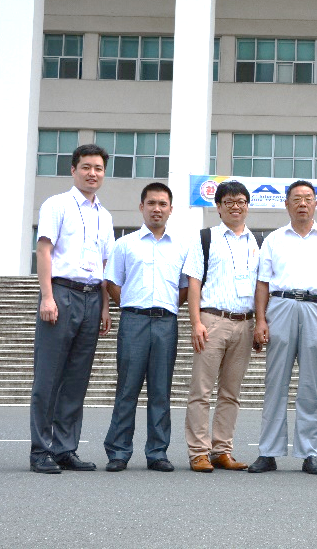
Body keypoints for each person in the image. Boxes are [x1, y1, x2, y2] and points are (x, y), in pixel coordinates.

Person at [248, 180, 317, 475]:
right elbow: (263, 283)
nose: (302, 203)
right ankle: (268, 452)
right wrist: (261, 319)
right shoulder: (274, 239)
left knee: (311, 385)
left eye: (308, 198)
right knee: (275, 382)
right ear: (287, 204)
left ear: (315, 203)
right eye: (296, 198)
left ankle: (309, 452)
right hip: (281, 307)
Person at [29, 144, 114, 474]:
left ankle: (65, 448)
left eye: (98, 168)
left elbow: (104, 264)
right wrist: (47, 297)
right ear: (73, 170)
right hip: (62, 294)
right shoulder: (57, 205)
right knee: (48, 377)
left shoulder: (104, 216)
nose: (93, 173)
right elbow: (44, 251)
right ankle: (41, 450)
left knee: (77, 379)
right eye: (86, 167)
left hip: (92, 297)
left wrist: (105, 307)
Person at [102, 182, 189, 473]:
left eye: (163, 204)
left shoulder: (181, 246)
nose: (157, 209)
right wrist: (131, 304)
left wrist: (164, 306)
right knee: (127, 388)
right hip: (134, 321)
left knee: (160, 390)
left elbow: (185, 287)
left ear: (171, 209)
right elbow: (112, 282)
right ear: (142, 207)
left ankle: (157, 452)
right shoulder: (125, 244)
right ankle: (118, 451)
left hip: (166, 322)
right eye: (151, 203)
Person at [183, 181, 259, 473]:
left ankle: (222, 450)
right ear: (218, 207)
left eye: (241, 201)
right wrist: (196, 322)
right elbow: (194, 283)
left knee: (231, 393)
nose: (235, 207)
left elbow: (261, 286)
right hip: (212, 321)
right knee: (201, 391)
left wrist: (259, 322)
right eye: (229, 202)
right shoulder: (206, 238)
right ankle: (198, 452)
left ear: (247, 206)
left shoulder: (256, 242)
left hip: (245, 323)